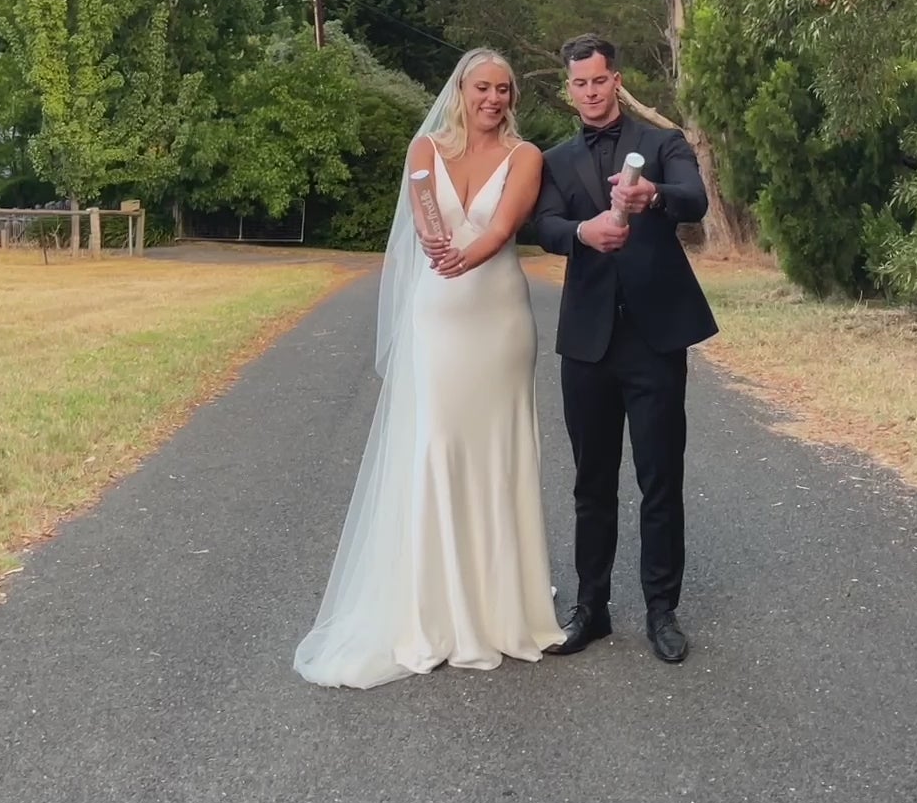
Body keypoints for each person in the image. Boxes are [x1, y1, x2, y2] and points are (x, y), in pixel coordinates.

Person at [294, 48, 563, 688]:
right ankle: (436, 607)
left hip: (497, 319)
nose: (493, 99)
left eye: (503, 89)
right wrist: (434, 240)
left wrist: (463, 259)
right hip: (439, 319)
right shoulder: (425, 150)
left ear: (512, 97)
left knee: (499, 451)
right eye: (482, 88)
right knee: (437, 444)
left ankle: (502, 607)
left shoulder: (526, 157)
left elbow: (502, 227)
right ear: (461, 91)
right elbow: (423, 212)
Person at [534, 34, 717, 664]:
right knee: (591, 482)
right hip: (587, 342)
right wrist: (582, 232)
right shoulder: (555, 160)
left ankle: (662, 610)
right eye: (579, 83)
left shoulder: (663, 144)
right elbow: (544, 225)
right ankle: (593, 608)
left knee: (660, 479)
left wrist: (654, 196)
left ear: (617, 80)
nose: (590, 91)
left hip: (654, 338)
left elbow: (695, 199)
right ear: (570, 88)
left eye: (599, 80)